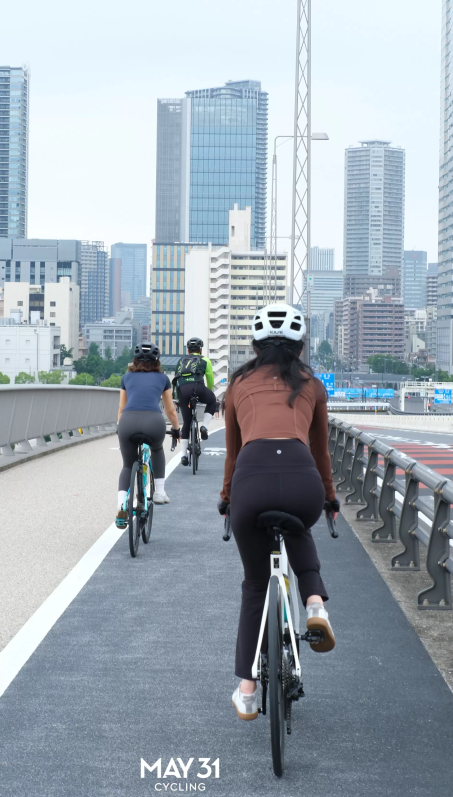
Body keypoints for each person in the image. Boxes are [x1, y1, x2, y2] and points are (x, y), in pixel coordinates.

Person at [217, 304, 339, 721]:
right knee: (299, 526)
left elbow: (233, 453)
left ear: (254, 344)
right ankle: (316, 606)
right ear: (301, 345)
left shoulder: (237, 384)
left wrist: (227, 498)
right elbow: (321, 453)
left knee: (255, 586)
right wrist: (330, 499)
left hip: (251, 480)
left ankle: (247, 691)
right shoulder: (313, 385)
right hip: (302, 478)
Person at [115, 342, 180, 527]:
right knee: (157, 449)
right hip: (153, 422)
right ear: (157, 361)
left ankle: (121, 506)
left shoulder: (127, 377)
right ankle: (159, 492)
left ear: (134, 360)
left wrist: (120, 428)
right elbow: (170, 411)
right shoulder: (163, 379)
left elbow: (121, 408)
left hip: (128, 421)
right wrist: (176, 429)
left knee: (128, 465)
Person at [174, 337, 219, 466]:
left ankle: (183, 455)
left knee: (187, 422)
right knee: (212, 401)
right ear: (200, 350)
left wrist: (180, 396)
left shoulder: (181, 360)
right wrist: (207, 392)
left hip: (182, 390)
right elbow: (210, 379)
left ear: (188, 350)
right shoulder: (205, 360)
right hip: (198, 388)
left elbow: (176, 379)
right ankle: (204, 426)